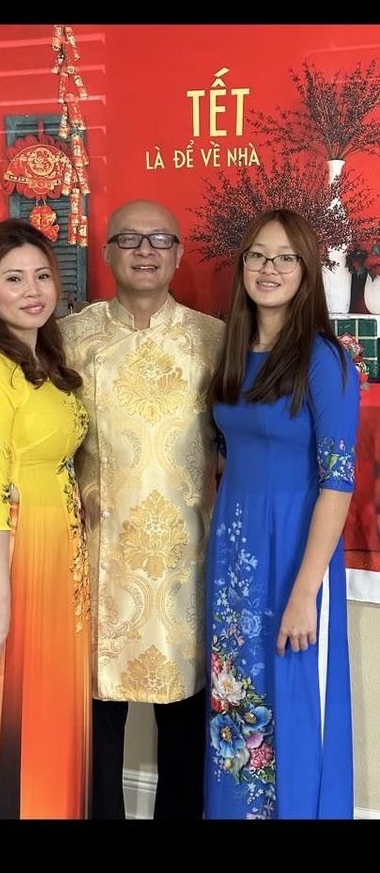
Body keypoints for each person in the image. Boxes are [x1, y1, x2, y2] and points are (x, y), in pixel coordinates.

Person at [59, 199, 225, 819]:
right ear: (107, 253)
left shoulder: (215, 340)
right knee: (95, 732)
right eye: (130, 239)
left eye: (160, 240)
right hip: (95, 562)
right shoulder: (69, 339)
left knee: (184, 730)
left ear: (179, 254)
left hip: (186, 563)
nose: (145, 251)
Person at [204, 208, 360, 820]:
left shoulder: (324, 360)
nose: (269, 269)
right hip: (234, 555)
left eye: (286, 258)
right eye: (258, 255)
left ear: (307, 271)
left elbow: (337, 484)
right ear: (242, 265)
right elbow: (229, 455)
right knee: (236, 700)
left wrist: (305, 594)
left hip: (298, 554)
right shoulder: (232, 351)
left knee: (293, 698)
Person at [0, 219, 91, 820]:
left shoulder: (47, 359)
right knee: (12, 721)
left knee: (50, 713)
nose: (32, 291)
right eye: (13, 279)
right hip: (12, 558)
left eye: (42, 275)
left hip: (59, 554)